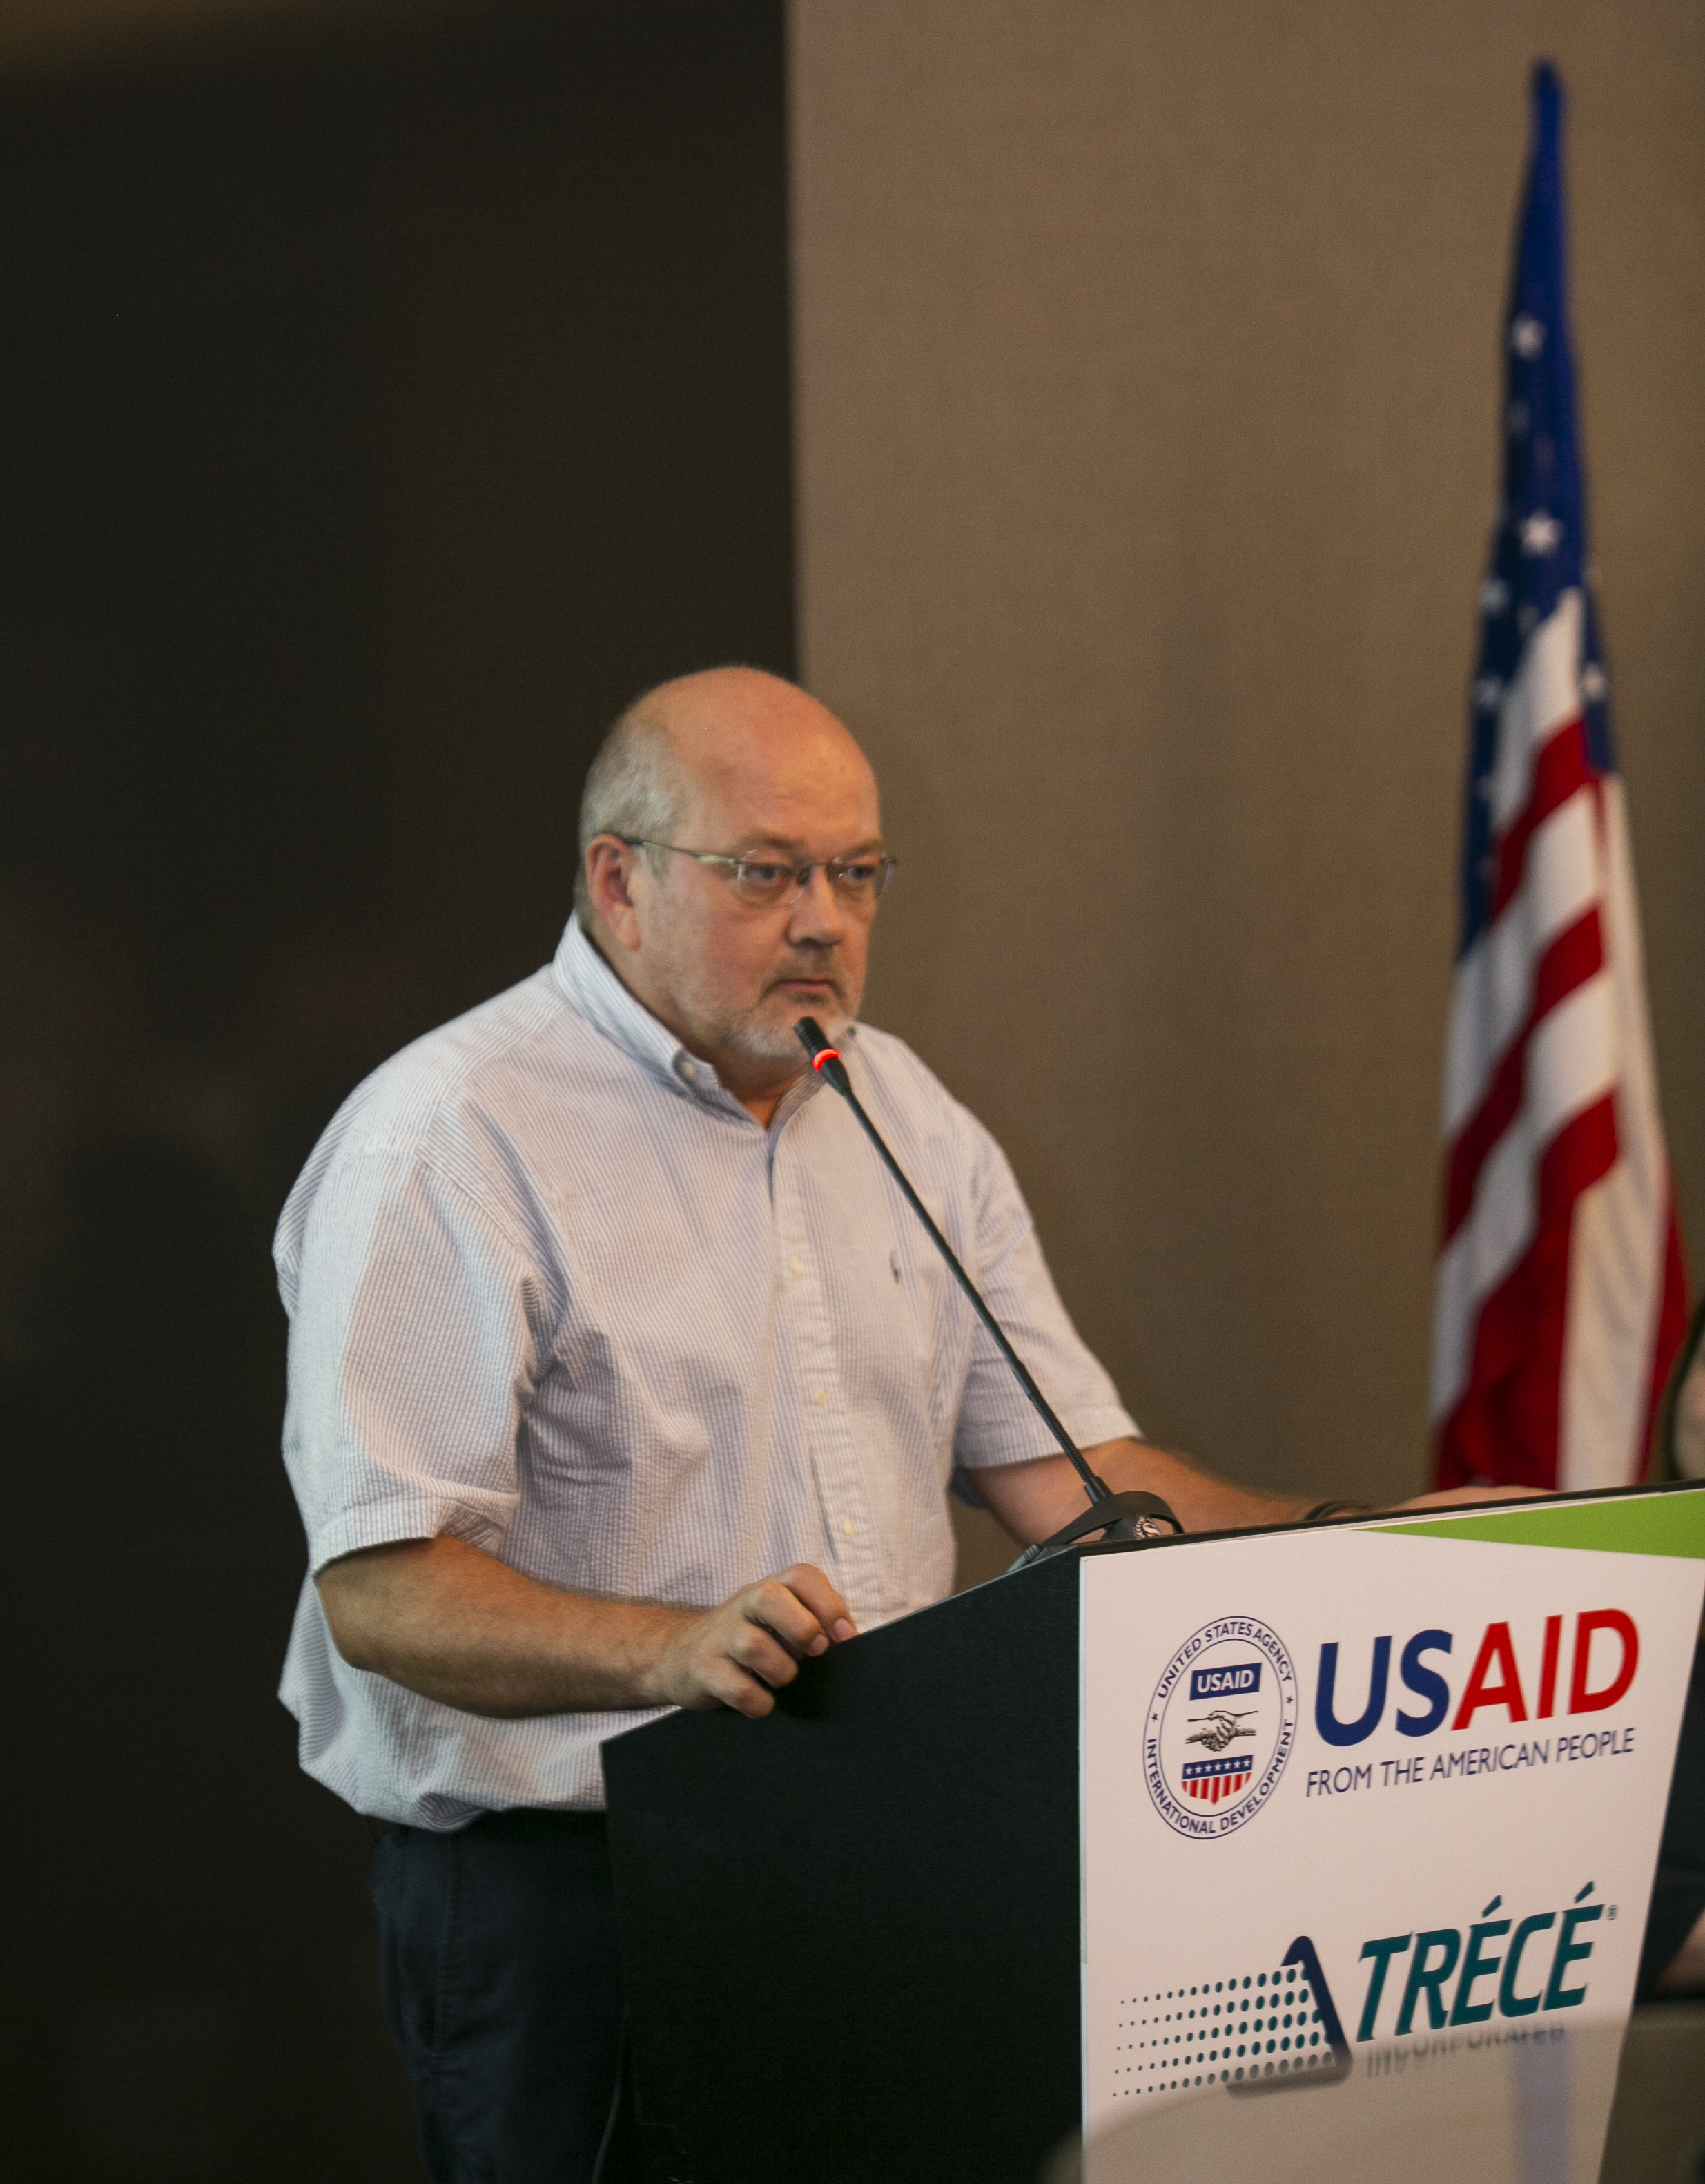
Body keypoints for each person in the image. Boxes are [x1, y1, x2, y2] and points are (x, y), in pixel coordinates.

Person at [276, 666, 1504, 2184]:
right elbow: (383, 1591)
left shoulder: (901, 1110)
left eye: (855, 873)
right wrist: (671, 1648)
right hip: (583, 1902)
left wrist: (1367, 1549)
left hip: (883, 1870)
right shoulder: (448, 1136)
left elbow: (1079, 1480)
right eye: (765, 872)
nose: (822, 921)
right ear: (619, 881)